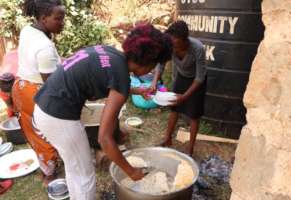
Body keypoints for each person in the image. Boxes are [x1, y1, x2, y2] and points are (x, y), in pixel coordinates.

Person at [32, 24, 172, 200]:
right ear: (146, 61)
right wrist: (131, 171)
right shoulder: (121, 75)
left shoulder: (110, 53)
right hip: (58, 117)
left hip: (44, 106)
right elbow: (104, 139)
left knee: (75, 166)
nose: (152, 71)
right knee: (85, 176)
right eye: (153, 66)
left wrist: (137, 91)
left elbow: (110, 82)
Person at [11, 0, 65, 182]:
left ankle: (47, 166)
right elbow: (52, 86)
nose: (62, 23)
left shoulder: (29, 30)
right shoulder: (45, 47)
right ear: (44, 18)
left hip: (20, 88)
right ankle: (50, 176)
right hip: (36, 94)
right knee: (46, 135)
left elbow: (37, 61)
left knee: (35, 134)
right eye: (58, 19)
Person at [151, 20, 207, 156]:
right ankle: (167, 139)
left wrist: (185, 97)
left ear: (184, 39)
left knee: (194, 115)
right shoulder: (169, 45)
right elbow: (161, 64)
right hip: (181, 77)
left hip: (196, 82)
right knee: (174, 109)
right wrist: (154, 82)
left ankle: (190, 148)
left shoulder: (197, 48)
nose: (172, 46)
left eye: (175, 42)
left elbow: (200, 77)